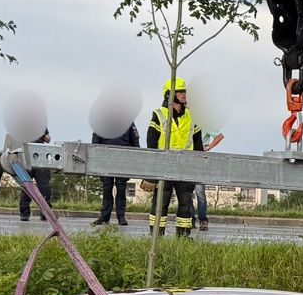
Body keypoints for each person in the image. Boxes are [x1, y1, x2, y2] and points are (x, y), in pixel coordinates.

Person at [147, 77, 215, 237]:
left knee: (186, 204)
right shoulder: (159, 114)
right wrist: (150, 173)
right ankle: (156, 237)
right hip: (163, 167)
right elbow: (151, 144)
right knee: (160, 203)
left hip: (186, 168)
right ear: (169, 94)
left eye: (185, 92)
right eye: (180, 92)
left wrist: (198, 168)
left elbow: (198, 145)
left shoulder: (192, 116)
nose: (184, 95)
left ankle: (183, 237)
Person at [91, 116, 139, 227]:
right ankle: (104, 217)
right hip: (106, 160)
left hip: (122, 160)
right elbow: (95, 143)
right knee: (107, 188)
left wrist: (137, 158)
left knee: (121, 189)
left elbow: (135, 140)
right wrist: (96, 160)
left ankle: (121, 216)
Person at [17, 128, 54, 221]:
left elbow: (48, 139)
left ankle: (46, 213)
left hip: (40, 157)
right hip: (26, 157)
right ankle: (24, 213)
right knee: (26, 185)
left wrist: (42, 134)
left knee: (45, 187)